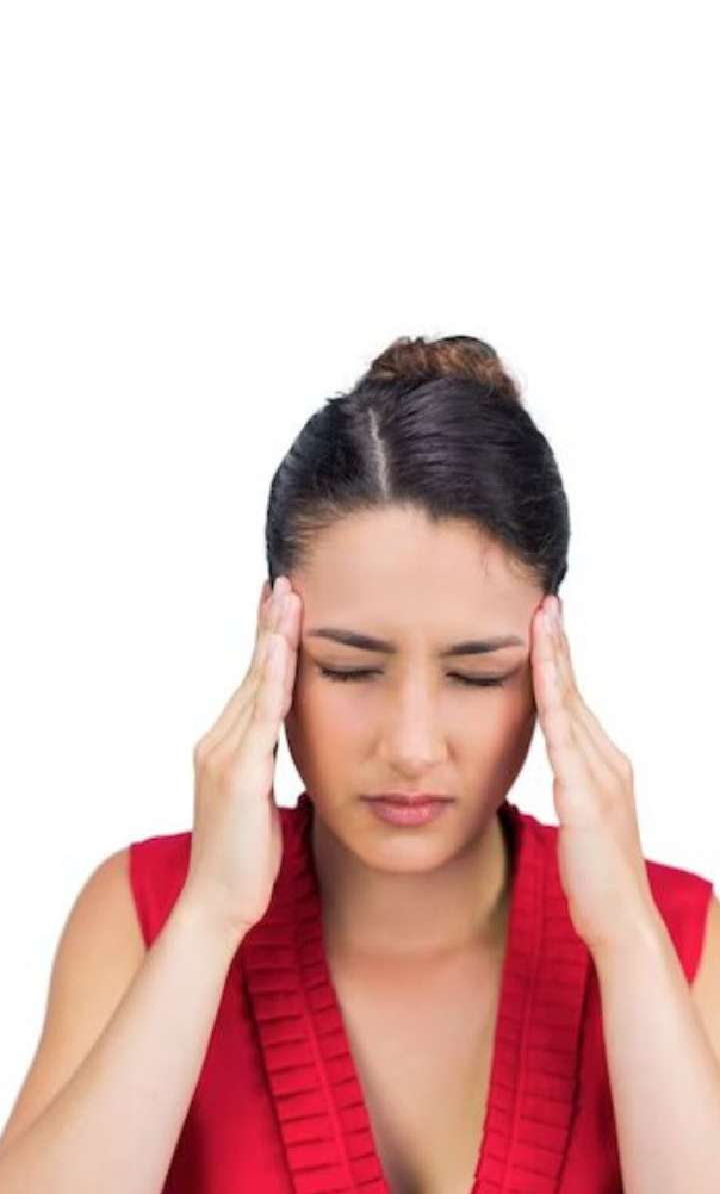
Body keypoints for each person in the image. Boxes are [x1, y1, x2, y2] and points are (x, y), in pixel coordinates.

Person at [2, 335, 717, 1194]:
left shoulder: (678, 934)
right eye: (348, 668)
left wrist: (625, 936)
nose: (411, 746)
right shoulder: (143, 911)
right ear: (275, 646)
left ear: (547, 663)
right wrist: (211, 918)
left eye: (476, 674)